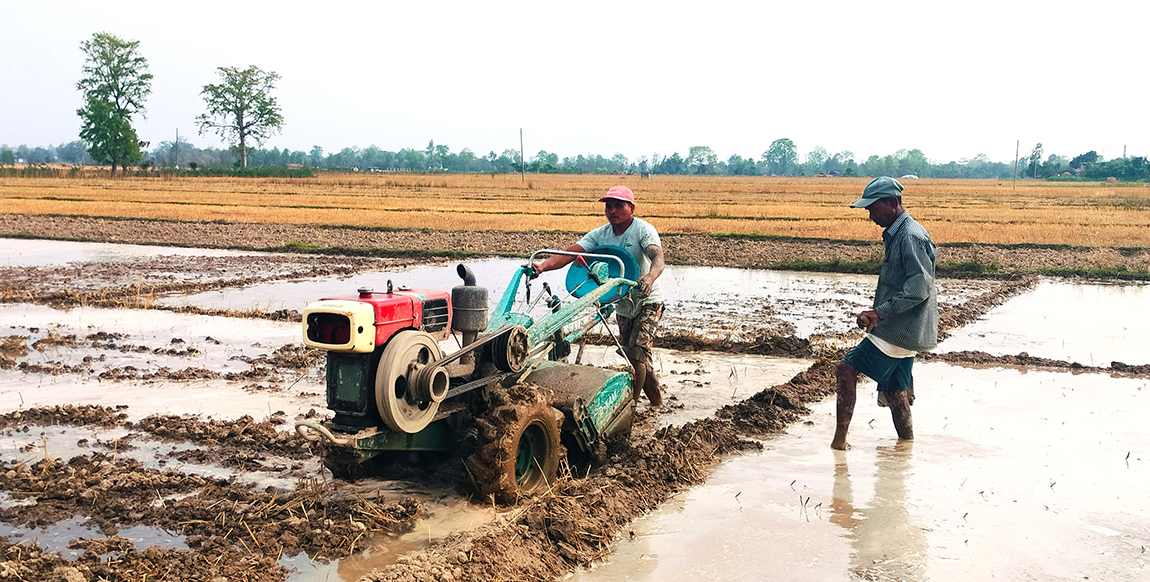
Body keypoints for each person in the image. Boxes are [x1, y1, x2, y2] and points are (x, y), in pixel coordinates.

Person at [532, 185, 666, 406]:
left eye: (618, 206)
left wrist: (650, 278)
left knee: (636, 353)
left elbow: (658, 257)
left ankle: (630, 406)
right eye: (609, 207)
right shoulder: (600, 235)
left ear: (631, 208)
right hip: (622, 301)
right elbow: (570, 254)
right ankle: (657, 404)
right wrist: (543, 266)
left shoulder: (643, 230)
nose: (612, 211)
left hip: (647, 299)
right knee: (635, 356)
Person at [831, 176, 937, 450]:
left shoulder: (910, 236)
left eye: (873, 208)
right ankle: (906, 446)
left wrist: (879, 313)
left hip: (900, 329)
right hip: (907, 329)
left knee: (846, 369)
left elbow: (919, 287)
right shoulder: (899, 234)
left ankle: (839, 443)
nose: (870, 216)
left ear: (892, 203)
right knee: (894, 390)